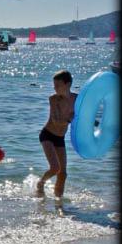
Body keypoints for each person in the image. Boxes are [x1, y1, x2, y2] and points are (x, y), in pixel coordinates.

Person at [36, 70, 77, 198]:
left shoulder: (77, 99)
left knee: (63, 173)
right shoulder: (54, 99)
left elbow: (85, 117)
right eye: (54, 85)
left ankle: (59, 203)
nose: (55, 88)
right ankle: (40, 183)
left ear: (68, 84)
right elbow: (56, 120)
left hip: (60, 138)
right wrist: (70, 119)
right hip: (47, 135)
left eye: (57, 85)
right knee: (55, 168)